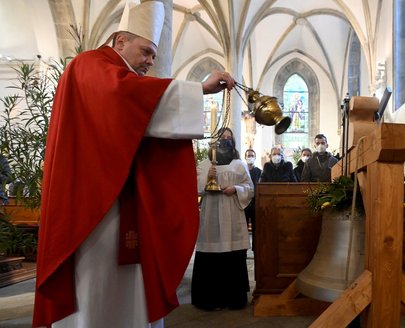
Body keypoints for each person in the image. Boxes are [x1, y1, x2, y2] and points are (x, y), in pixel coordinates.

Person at [32, 2, 235, 327]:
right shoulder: (89, 65)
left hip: (121, 204)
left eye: (154, 54)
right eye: (146, 51)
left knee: (128, 290)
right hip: (93, 212)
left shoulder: (120, 77)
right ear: (120, 41)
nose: (150, 62)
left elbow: (138, 119)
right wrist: (200, 88)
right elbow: (122, 97)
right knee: (96, 293)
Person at [192, 127, 254, 311]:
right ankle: (208, 299)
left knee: (232, 256)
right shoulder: (205, 164)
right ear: (215, 140)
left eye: (229, 137)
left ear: (233, 142)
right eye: (223, 137)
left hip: (232, 213)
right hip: (211, 214)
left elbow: (250, 187)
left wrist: (236, 188)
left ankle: (233, 299)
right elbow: (194, 187)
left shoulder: (239, 164)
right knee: (210, 256)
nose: (226, 140)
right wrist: (206, 177)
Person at [244, 148, 261, 248]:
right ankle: (244, 249)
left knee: (256, 228)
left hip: (255, 203)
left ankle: (256, 248)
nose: (250, 158)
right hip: (244, 203)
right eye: (248, 156)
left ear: (255, 157)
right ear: (245, 157)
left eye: (252, 156)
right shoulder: (242, 171)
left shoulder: (259, 171)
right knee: (243, 228)